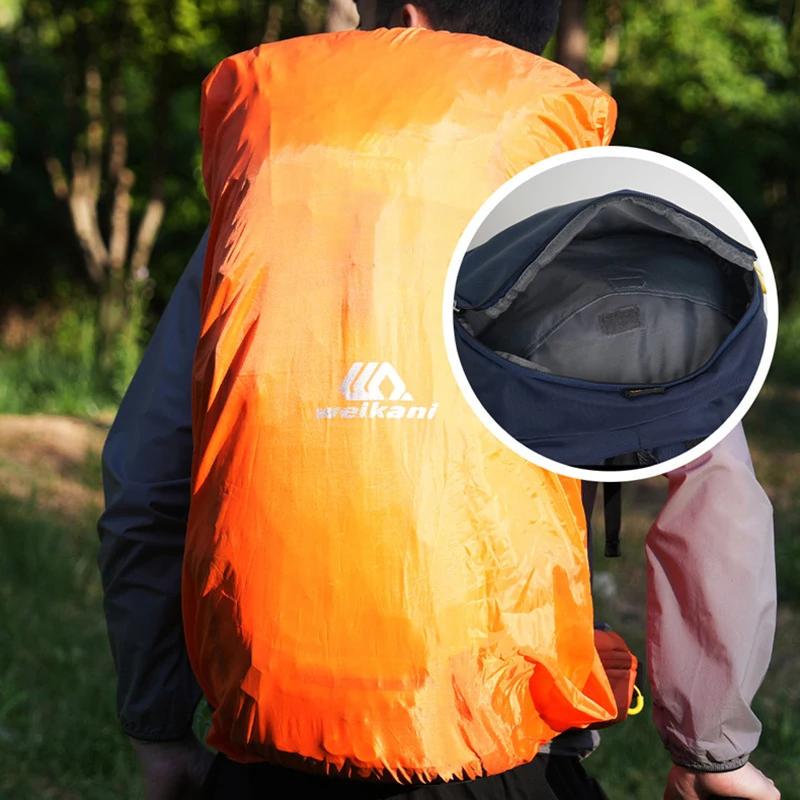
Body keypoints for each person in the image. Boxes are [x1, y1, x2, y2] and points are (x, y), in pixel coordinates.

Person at [97, 3, 781, 800]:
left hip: (266, 756)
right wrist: (711, 749)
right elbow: (713, 486)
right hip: (501, 756)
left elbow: (145, 479)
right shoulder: (574, 190)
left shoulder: (262, 184)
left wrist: (159, 730)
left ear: (410, 15)